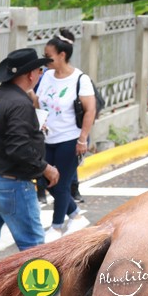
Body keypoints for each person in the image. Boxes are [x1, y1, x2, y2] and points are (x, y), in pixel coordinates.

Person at [0, 49, 60, 270]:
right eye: (39, 70)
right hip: (13, 183)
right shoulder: (19, 104)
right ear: (30, 74)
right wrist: (45, 168)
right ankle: (40, 291)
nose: (40, 74)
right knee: (33, 247)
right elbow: (18, 148)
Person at [33, 29, 91, 238]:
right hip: (47, 138)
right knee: (45, 180)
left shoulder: (80, 79)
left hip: (70, 139)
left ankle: (56, 227)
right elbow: (39, 102)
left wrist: (82, 139)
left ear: (62, 55)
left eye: (48, 56)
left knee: (61, 184)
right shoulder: (46, 76)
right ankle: (75, 215)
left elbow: (90, 110)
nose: (45, 59)